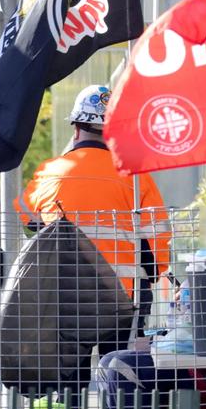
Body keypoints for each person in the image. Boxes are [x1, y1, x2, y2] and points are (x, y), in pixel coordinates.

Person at [18, 85, 171, 337]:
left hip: (64, 295)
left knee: (71, 372)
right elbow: (157, 236)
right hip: (125, 296)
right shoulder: (135, 177)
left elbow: (26, 214)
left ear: (76, 129)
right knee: (119, 368)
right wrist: (153, 272)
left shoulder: (50, 171)